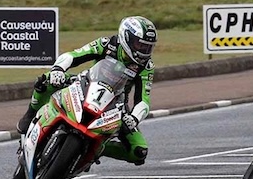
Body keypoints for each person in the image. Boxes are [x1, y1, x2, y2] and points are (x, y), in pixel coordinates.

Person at [16, 16, 158, 165]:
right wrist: (58, 69)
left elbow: (143, 100)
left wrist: (134, 118)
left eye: (148, 47)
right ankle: (31, 114)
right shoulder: (106, 44)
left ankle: (97, 148)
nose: (144, 51)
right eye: (140, 45)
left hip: (115, 104)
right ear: (126, 38)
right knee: (46, 81)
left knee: (139, 151)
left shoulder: (146, 67)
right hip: (86, 84)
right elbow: (74, 55)